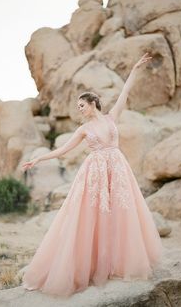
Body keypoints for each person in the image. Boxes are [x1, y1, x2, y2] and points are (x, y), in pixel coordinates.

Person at [21, 53, 163, 298]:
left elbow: (124, 93)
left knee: (122, 213)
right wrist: (39, 158)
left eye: (81, 105)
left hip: (117, 169)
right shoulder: (83, 129)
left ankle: (118, 264)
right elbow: (62, 150)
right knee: (94, 216)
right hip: (95, 173)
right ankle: (93, 267)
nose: (79, 110)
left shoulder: (111, 117)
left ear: (92, 103)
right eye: (78, 107)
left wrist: (135, 69)